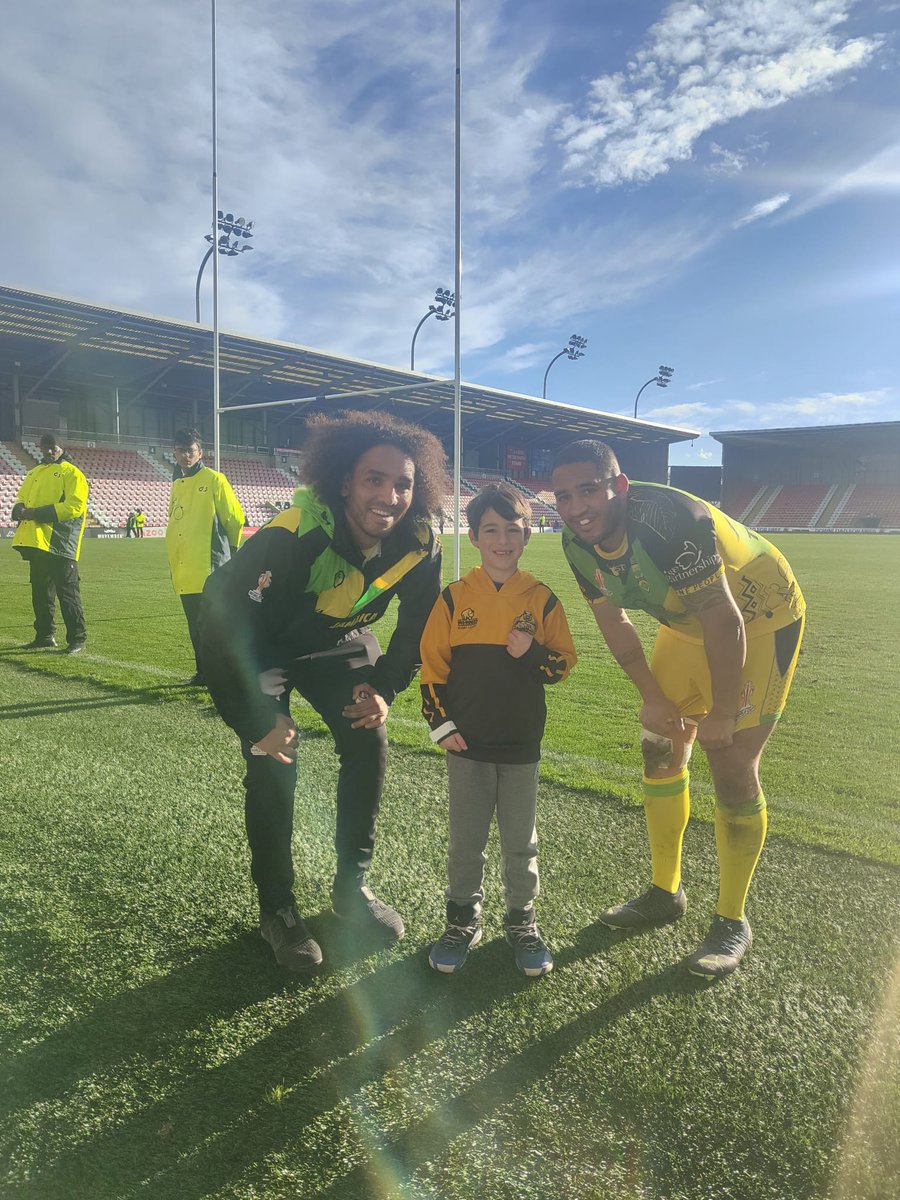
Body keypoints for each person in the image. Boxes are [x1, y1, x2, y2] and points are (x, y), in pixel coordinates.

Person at [200, 410, 446, 971]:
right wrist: (255, 720)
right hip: (257, 644)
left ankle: (350, 889)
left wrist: (384, 688)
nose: (390, 495)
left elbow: (418, 627)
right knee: (274, 757)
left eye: (403, 483)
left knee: (369, 735)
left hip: (333, 640)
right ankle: (278, 909)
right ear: (344, 483)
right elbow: (221, 633)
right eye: (374, 479)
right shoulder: (294, 536)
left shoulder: (419, 542)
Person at [551, 440, 805, 979]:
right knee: (659, 744)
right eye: (564, 496)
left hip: (759, 622)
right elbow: (614, 624)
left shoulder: (672, 519)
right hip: (689, 626)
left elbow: (725, 620)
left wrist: (720, 713)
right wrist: (652, 696)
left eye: (588, 490)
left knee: (732, 764)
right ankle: (665, 892)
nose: (576, 507)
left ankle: (731, 919)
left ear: (619, 485)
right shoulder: (576, 542)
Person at [420, 482, 577, 976]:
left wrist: (529, 653)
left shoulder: (542, 599)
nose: (502, 540)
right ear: (474, 536)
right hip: (466, 745)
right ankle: (462, 919)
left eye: (512, 530)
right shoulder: (453, 598)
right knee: (465, 840)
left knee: (520, 841)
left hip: (520, 744)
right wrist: (440, 725)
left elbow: (562, 666)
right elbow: (432, 668)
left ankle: (521, 922)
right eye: (492, 530)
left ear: (527, 536)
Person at [166, 429, 245, 686]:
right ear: (174, 453)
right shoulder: (177, 484)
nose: (185, 455)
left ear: (200, 452)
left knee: (215, 625)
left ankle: (225, 673)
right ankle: (203, 672)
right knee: (195, 624)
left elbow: (234, 518)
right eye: (180, 450)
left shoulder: (214, 479)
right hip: (184, 567)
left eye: (190, 450)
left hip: (210, 567)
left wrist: (231, 552)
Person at [12, 433, 89, 654]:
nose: (47, 451)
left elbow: (75, 506)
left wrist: (36, 513)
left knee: (68, 593)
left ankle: (77, 638)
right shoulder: (34, 473)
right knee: (40, 593)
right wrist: (18, 510)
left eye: (52, 447)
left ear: (61, 447)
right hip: (37, 542)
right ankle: (45, 635)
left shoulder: (72, 473)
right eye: (44, 447)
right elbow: (21, 498)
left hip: (61, 542)